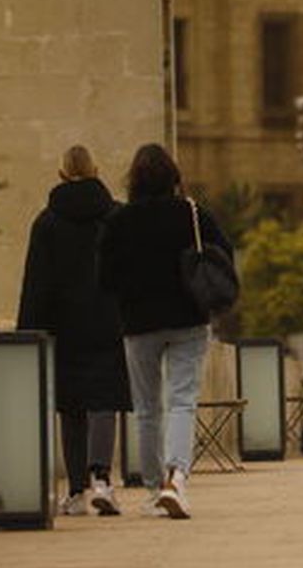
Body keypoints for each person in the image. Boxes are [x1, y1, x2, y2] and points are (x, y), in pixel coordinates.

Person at [98, 143, 230, 519]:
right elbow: (224, 255)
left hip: (139, 324)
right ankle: (178, 477)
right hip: (188, 318)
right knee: (183, 399)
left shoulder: (119, 221)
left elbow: (104, 278)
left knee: (146, 409)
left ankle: (154, 490)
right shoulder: (191, 213)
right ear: (173, 176)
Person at [17, 145, 131, 517]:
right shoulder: (115, 216)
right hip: (107, 319)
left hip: (64, 326)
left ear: (62, 173)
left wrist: (29, 332)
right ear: (96, 170)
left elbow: (36, 284)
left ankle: (77, 491)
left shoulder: (46, 222)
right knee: (103, 402)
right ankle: (102, 479)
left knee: (71, 407)